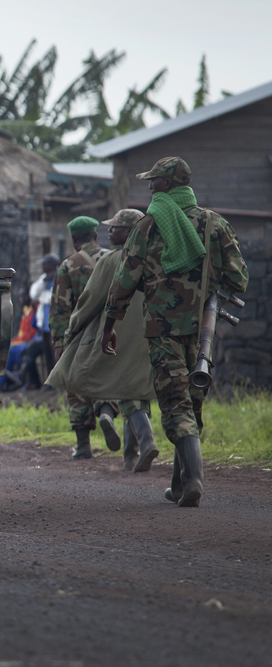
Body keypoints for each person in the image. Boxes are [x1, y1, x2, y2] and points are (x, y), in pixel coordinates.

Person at [103, 157, 248, 508]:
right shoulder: (216, 224)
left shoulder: (149, 226)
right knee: (192, 401)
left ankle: (194, 480)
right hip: (203, 330)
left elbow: (123, 282)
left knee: (175, 403)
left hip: (163, 330)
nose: (149, 187)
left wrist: (110, 323)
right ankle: (181, 484)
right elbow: (239, 279)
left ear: (167, 185)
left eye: (154, 181)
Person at [47, 210, 159, 471]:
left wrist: (69, 332)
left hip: (110, 330)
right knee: (134, 387)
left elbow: (83, 303)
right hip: (149, 331)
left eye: (115, 227)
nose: (110, 232)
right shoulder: (155, 258)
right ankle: (130, 451)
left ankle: (132, 441)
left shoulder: (108, 261)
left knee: (92, 381)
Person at [50, 217, 121, 459]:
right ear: (96, 236)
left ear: (74, 239)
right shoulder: (114, 259)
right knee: (107, 376)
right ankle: (106, 413)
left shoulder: (68, 266)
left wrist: (59, 343)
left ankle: (83, 446)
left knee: (76, 384)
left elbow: (61, 308)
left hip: (80, 334)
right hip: (112, 330)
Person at [17, 254, 59, 390]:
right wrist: (43, 282)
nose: (43, 267)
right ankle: (48, 381)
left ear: (52, 264)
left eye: (45, 264)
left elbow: (52, 298)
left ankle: (56, 382)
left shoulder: (59, 277)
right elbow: (34, 294)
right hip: (44, 325)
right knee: (47, 354)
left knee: (56, 354)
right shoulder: (43, 279)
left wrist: (43, 297)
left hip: (57, 323)